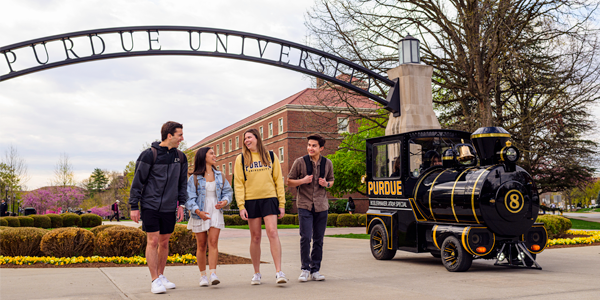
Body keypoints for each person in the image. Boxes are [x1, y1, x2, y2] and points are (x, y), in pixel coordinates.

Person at [129, 121, 187, 294]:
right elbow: (137, 182)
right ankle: (154, 280)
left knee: (164, 241)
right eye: (180, 135)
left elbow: (182, 184)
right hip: (150, 205)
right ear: (169, 136)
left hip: (169, 206)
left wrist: (181, 204)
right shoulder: (149, 155)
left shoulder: (181, 157)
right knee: (153, 241)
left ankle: (161, 275)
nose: (182, 138)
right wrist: (134, 205)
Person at [233, 128, 288, 285]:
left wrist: (281, 204)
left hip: (269, 198)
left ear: (257, 138)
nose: (246, 141)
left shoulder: (270, 156)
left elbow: (278, 179)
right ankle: (256, 273)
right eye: (245, 139)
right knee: (255, 237)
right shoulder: (241, 159)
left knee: (272, 232)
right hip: (251, 201)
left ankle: (279, 272)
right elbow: (238, 183)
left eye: (249, 137)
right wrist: (241, 205)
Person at [287, 135, 334, 282]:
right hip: (304, 205)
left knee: (319, 239)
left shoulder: (328, 163)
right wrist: (302, 181)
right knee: (306, 237)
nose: (310, 148)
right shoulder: (299, 162)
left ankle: (315, 270)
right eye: (309, 145)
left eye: (314, 146)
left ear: (321, 148)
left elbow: (331, 181)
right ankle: (305, 269)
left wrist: (326, 183)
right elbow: (289, 181)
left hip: (321, 206)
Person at [186, 147, 233, 287]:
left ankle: (213, 273)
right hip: (200, 212)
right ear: (203, 156)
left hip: (215, 211)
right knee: (201, 245)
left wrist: (225, 201)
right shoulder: (193, 178)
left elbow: (228, 192)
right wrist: (198, 211)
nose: (214, 155)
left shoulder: (220, 175)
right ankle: (203, 276)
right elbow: (189, 199)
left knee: (213, 243)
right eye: (211, 153)